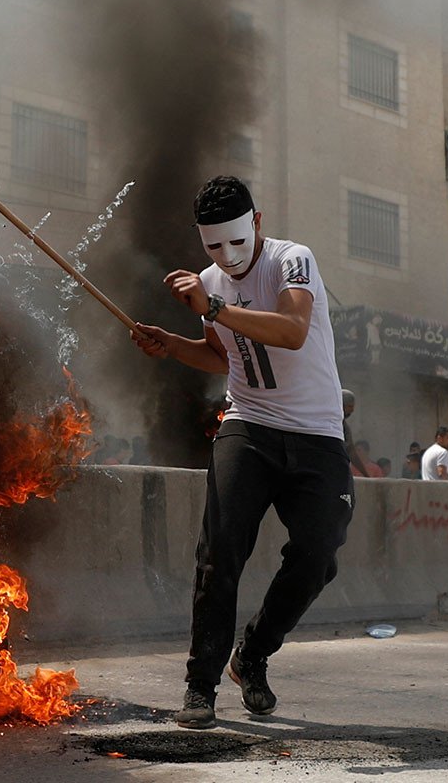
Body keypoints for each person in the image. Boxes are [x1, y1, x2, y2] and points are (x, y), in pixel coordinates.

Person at [132, 175, 353, 730]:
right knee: (220, 552)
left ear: (256, 223)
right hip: (248, 426)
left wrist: (213, 308)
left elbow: (293, 330)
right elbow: (221, 356)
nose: (227, 257)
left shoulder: (291, 260)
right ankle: (200, 686)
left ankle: (251, 654)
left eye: (236, 240)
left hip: (317, 432)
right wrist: (172, 345)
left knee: (319, 556)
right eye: (213, 245)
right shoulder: (209, 282)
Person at [341, 389, 367, 477]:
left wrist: (366, 475)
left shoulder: (344, 426)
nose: (352, 410)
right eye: (349, 406)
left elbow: (351, 451)